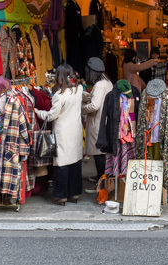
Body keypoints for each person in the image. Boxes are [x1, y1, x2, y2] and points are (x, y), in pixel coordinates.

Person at [35, 64, 84, 206]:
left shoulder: (59, 96)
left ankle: (61, 196)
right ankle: (74, 193)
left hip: (62, 133)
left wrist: (38, 112)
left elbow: (51, 116)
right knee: (75, 161)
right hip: (75, 132)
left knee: (61, 164)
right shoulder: (78, 90)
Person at [81, 57, 112, 187]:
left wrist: (81, 109)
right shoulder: (107, 82)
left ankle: (101, 183)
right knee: (101, 153)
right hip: (104, 121)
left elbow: (94, 105)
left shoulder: (99, 85)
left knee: (98, 153)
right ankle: (102, 178)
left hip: (97, 122)